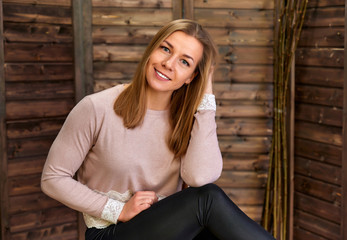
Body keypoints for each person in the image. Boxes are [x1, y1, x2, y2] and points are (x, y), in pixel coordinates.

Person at [41, 19, 275, 240]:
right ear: (152, 50)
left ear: (191, 77)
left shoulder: (187, 120)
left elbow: (200, 177)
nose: (169, 64)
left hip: (169, 231)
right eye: (165, 49)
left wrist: (206, 100)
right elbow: (53, 178)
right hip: (112, 233)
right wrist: (118, 210)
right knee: (208, 201)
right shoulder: (96, 108)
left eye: (185, 62)